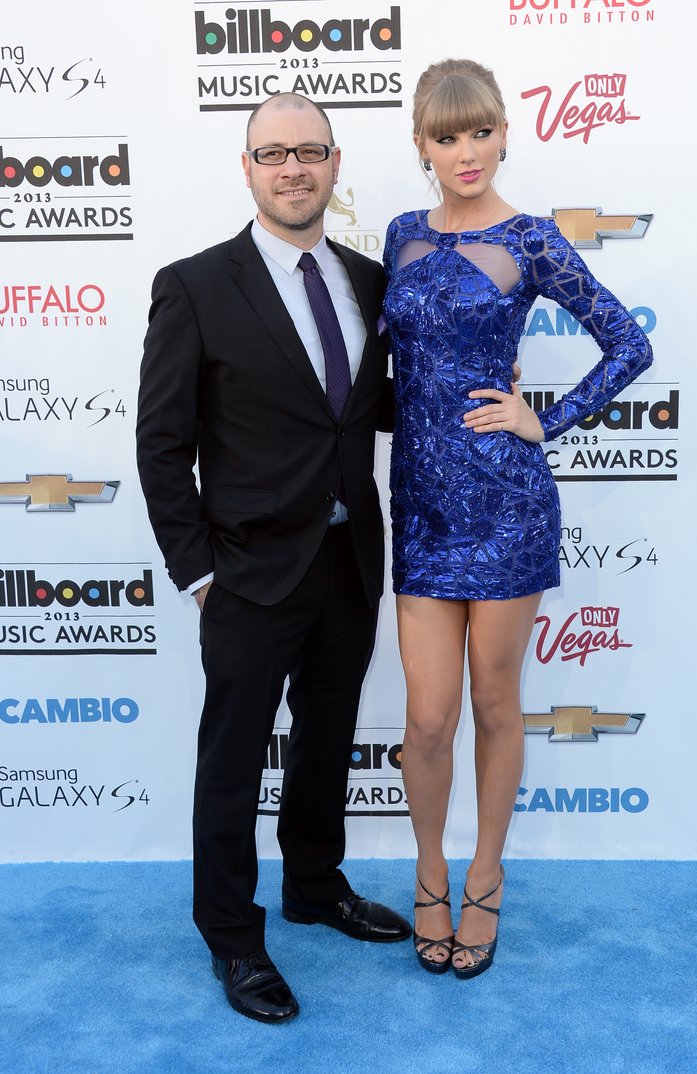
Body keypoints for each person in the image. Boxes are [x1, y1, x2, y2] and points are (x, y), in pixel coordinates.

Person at [136, 93, 409, 1025]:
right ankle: (231, 935)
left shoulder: (373, 282)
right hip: (247, 571)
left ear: (337, 165)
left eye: (310, 152)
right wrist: (198, 568)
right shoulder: (196, 284)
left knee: (328, 736)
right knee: (233, 757)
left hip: (348, 559)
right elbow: (161, 442)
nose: (293, 169)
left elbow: (373, 410)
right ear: (246, 168)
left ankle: (314, 885)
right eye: (273, 153)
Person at [382, 59, 653, 979]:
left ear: (504, 134)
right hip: (418, 509)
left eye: (481, 131)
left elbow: (630, 343)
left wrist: (551, 417)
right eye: (446, 136)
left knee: (496, 706)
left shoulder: (534, 240)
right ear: (422, 146)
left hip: (504, 505)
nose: (466, 151)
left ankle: (486, 881)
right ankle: (428, 877)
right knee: (426, 721)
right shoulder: (400, 237)